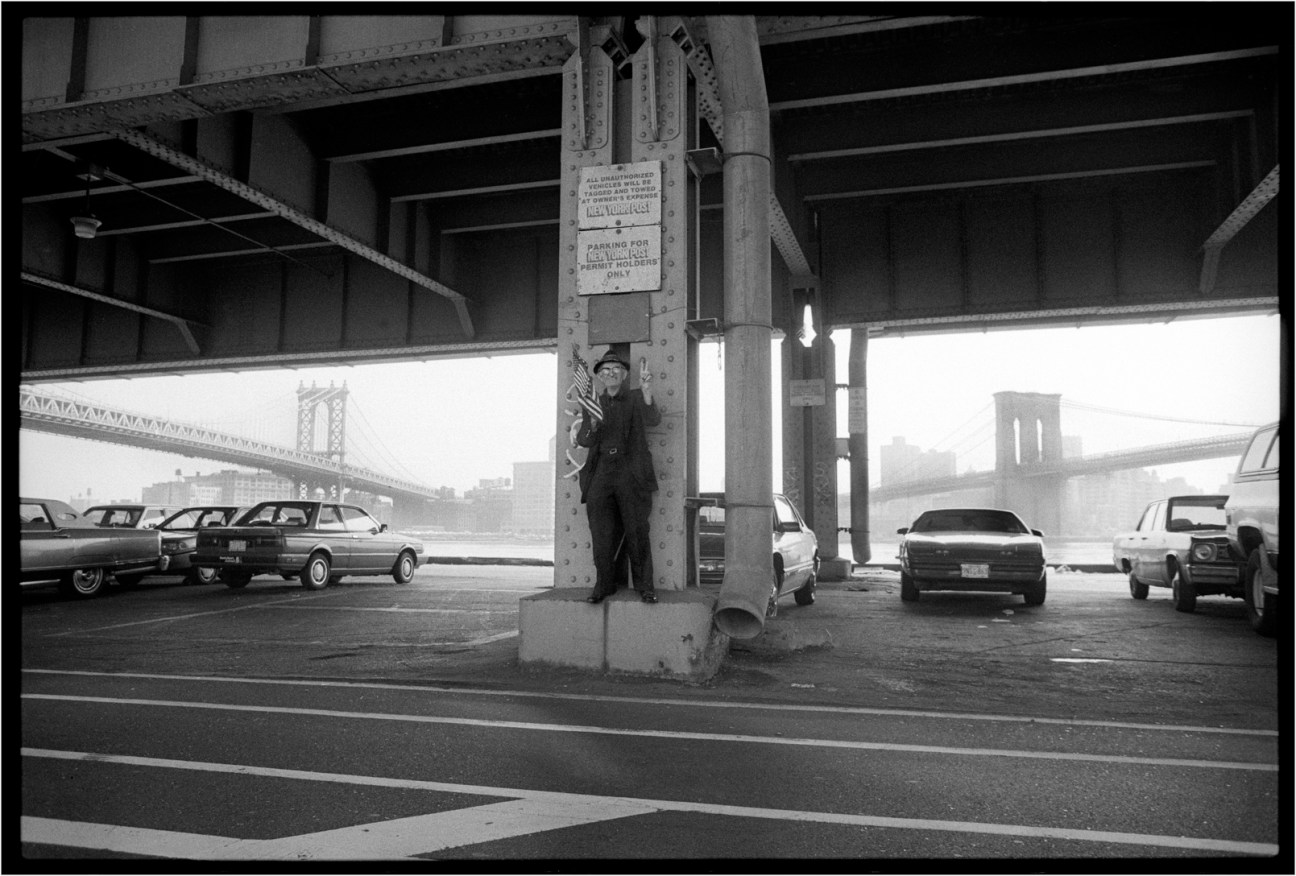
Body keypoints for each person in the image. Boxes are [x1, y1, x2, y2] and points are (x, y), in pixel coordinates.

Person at [577, 348, 661, 604]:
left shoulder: (636, 398)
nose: (610, 374)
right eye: (605, 371)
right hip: (602, 471)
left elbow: (653, 419)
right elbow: (584, 440)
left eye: (616, 370)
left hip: (630, 471)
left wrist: (647, 391)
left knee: (637, 531)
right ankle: (604, 586)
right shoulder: (594, 403)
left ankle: (645, 587)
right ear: (600, 377)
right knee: (600, 533)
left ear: (624, 375)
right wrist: (591, 424)